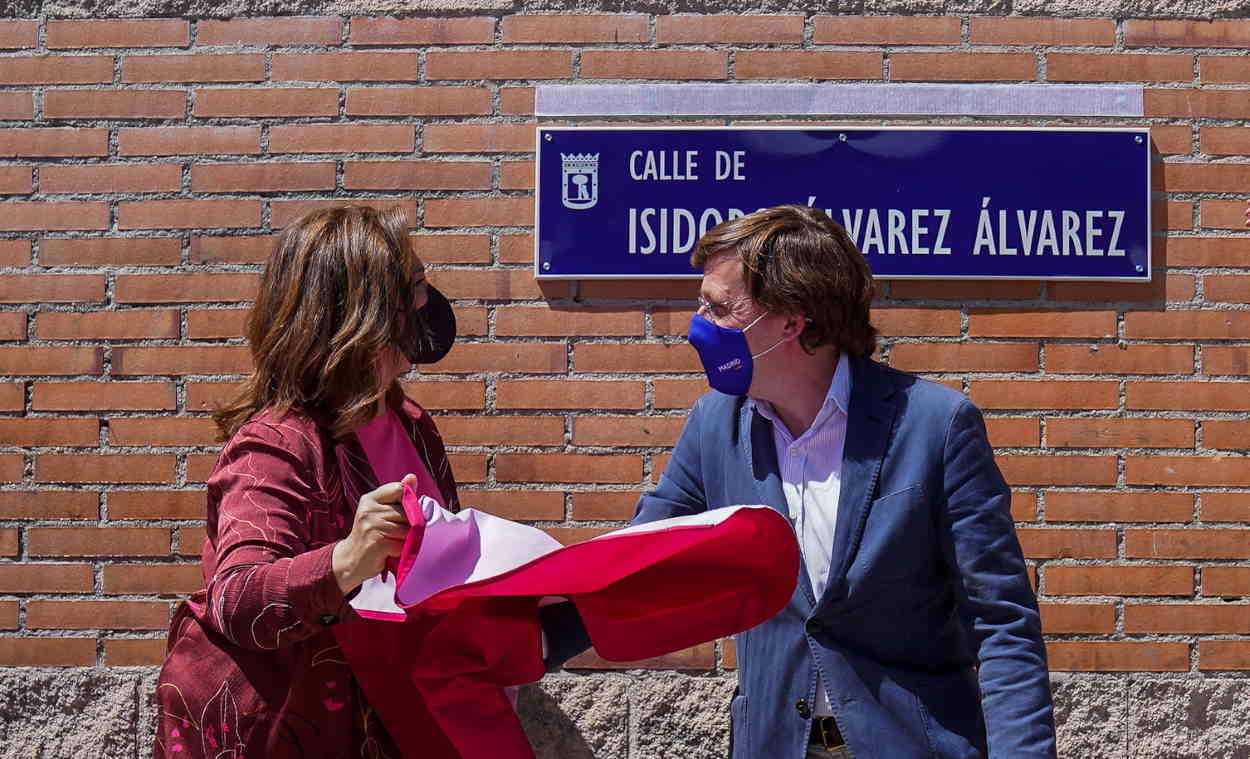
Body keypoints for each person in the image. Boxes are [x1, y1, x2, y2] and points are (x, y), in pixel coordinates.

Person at [631, 205, 1056, 759]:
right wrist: (524, 630)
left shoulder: (934, 425)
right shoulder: (716, 424)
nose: (697, 325)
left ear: (791, 319)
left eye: (718, 307)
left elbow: (1000, 621)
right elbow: (637, 564)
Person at [151, 206, 524, 758]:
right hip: (283, 728)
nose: (428, 302)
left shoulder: (413, 425)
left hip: (384, 716)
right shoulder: (276, 443)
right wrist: (347, 560)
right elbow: (236, 598)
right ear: (365, 314)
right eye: (415, 285)